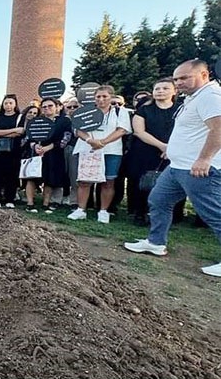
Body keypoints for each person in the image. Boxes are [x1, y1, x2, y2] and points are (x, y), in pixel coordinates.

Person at [125, 59, 221, 277]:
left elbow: (219, 129)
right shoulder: (193, 98)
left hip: (198, 169)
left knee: (214, 212)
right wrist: (173, 149)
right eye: (176, 78)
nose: (179, 82)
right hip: (177, 166)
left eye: (184, 78)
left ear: (204, 75)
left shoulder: (211, 96)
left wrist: (204, 159)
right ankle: (156, 242)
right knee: (158, 200)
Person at [69, 85, 132, 223]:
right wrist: (90, 140)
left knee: (108, 182)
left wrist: (103, 142)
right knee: (84, 181)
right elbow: (77, 130)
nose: (101, 99)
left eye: (105, 96)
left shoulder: (120, 111)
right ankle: (81, 210)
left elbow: (122, 130)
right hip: (88, 149)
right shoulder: (86, 111)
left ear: (111, 97)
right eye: (98, 96)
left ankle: (103, 211)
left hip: (111, 151)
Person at [125, 78, 180, 226]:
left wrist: (171, 148)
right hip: (145, 152)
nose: (160, 91)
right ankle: (140, 213)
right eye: (157, 89)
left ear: (175, 91)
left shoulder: (181, 109)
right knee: (141, 184)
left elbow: (185, 132)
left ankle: (163, 216)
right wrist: (162, 146)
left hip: (173, 152)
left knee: (168, 186)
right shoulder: (144, 109)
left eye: (165, 88)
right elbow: (139, 131)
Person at [28, 98, 71, 213]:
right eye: (44, 106)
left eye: (50, 106)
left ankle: (46, 203)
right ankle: (30, 203)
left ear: (57, 107)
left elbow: (66, 138)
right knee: (32, 177)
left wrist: (49, 147)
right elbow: (30, 136)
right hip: (38, 153)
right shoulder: (37, 121)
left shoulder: (64, 121)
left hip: (55, 153)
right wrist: (35, 146)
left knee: (50, 179)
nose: (47, 108)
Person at [0, 95, 24, 208]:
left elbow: (21, 132)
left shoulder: (20, 117)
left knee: (12, 175)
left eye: (10, 103)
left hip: (14, 151)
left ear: (15, 104)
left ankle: (10, 198)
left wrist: (4, 133)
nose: (8, 105)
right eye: (6, 103)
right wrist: (13, 131)